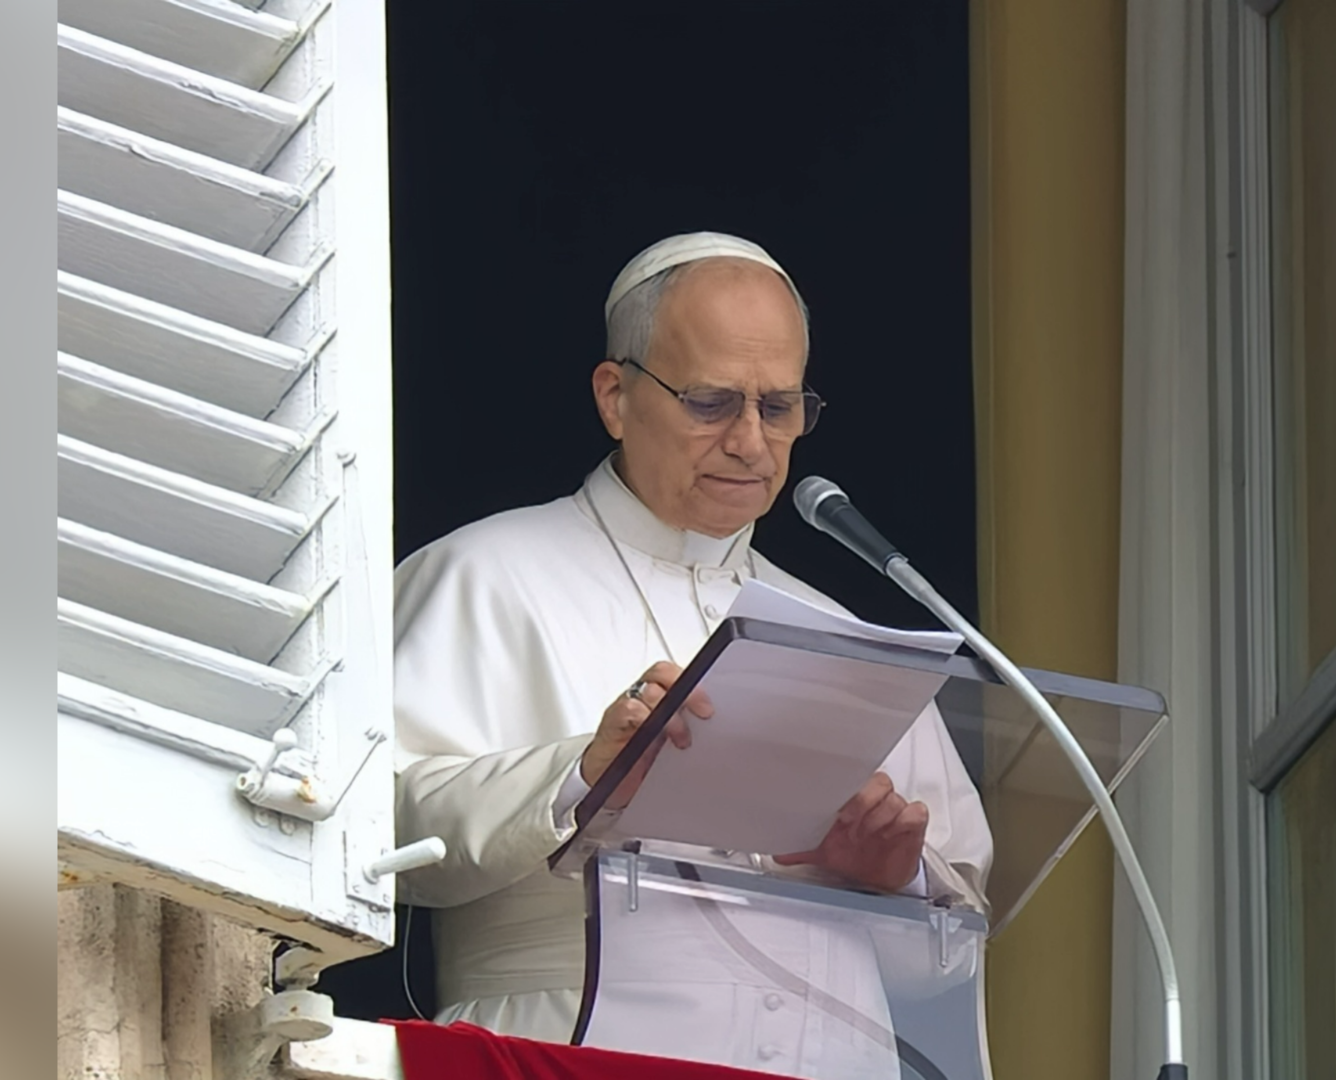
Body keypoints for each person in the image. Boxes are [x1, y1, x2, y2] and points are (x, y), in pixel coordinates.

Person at [392, 232, 993, 1077]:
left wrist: (892, 879)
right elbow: (371, 831)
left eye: (779, 408)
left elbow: (952, 958)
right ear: (615, 395)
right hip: (566, 1048)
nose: (751, 442)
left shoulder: (849, 636)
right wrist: (577, 776)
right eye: (712, 402)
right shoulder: (483, 575)